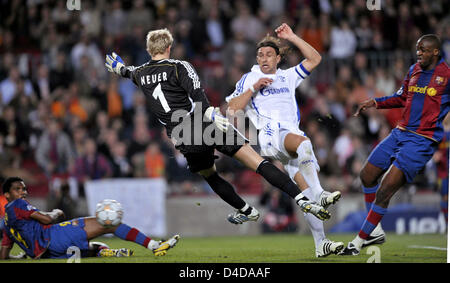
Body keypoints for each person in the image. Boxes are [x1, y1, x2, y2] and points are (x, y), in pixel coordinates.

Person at [105, 28, 331, 225]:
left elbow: (128, 71)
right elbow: (198, 94)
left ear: (148, 49)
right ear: (170, 47)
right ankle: (301, 198)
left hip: (183, 136)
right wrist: (209, 114)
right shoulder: (179, 67)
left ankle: (246, 210)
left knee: (210, 175)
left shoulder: (141, 73)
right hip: (203, 123)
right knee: (257, 162)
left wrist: (119, 68)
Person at [226, 23, 343, 257]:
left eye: (269, 54)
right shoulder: (250, 77)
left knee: (306, 195)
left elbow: (315, 59)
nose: (264, 58)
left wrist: (292, 37)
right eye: (260, 55)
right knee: (304, 143)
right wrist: (254, 89)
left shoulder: (287, 77)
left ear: (278, 58)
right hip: (272, 137)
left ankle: (321, 243)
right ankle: (321, 192)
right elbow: (232, 108)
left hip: (288, 139)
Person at [340, 34, 449, 255]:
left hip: (422, 141)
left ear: (436, 51)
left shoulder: (447, 76)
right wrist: (375, 102)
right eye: (417, 49)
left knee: (386, 189)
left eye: (424, 50)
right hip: (399, 133)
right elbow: (401, 97)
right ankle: (376, 230)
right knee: (366, 175)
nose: (418, 53)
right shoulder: (414, 70)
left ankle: (358, 242)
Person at [0, 177, 179, 259]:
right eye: (18, 189)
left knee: (95, 247)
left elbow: (4, 255)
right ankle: (154, 246)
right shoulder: (18, 205)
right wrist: (55, 212)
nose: (23, 192)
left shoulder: (6, 223)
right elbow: (47, 220)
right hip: (53, 237)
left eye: (24, 188)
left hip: (48, 255)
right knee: (109, 224)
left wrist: (22, 257)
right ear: (7, 195)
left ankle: (101, 252)